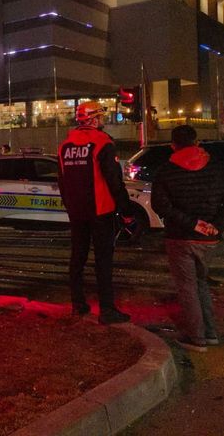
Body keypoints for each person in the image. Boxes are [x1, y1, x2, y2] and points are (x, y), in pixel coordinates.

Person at [151, 125, 224, 352]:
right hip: (208, 239)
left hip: (179, 237)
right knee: (200, 283)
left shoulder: (167, 170)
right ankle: (209, 332)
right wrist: (217, 226)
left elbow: (160, 205)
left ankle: (196, 337)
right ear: (197, 142)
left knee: (187, 287)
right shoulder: (216, 168)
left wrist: (191, 223)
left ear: (173, 145)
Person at [58, 101, 131, 324]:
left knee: (77, 257)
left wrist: (70, 205)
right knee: (103, 260)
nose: (103, 121)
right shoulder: (102, 142)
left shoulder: (65, 145)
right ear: (94, 119)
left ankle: (77, 304)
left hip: (76, 211)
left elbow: (61, 181)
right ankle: (107, 310)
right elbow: (114, 180)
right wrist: (124, 208)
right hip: (101, 210)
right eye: (101, 116)